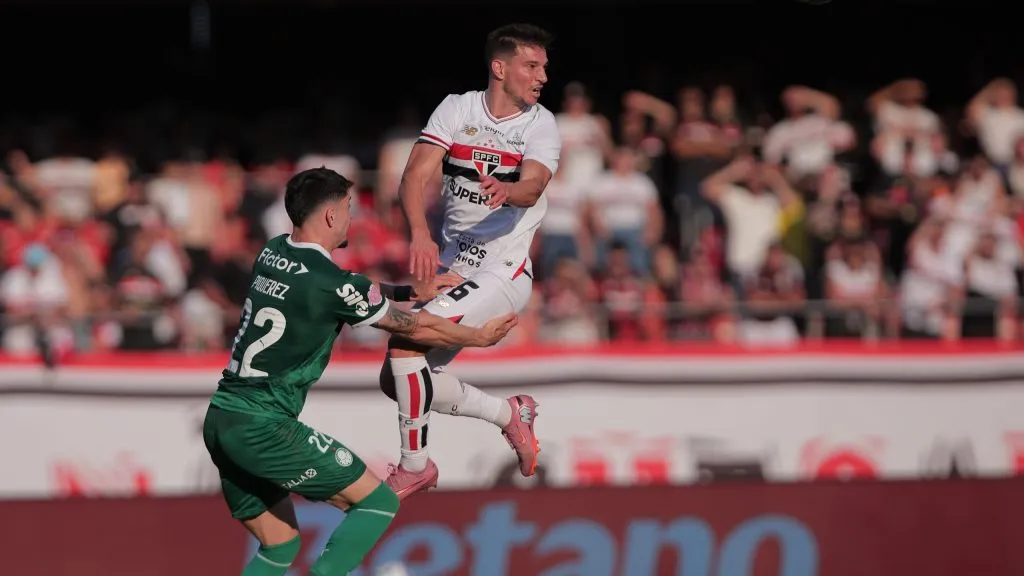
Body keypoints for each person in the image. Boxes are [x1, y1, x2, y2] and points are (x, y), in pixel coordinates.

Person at [203, 167, 518, 576]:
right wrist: (477, 336)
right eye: (349, 208)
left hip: (222, 419)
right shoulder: (330, 283)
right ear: (331, 215)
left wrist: (407, 291)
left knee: (279, 544)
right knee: (377, 503)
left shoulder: (272, 252)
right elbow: (414, 326)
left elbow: (343, 289)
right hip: (263, 425)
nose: (353, 218)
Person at [379, 22, 561, 499]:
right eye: (531, 65)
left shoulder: (541, 123)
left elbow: (535, 184)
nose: (542, 75)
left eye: (544, 66)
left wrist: (510, 189)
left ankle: (414, 466)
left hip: (504, 270)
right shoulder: (459, 108)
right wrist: (420, 233)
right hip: (458, 264)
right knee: (396, 379)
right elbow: (414, 174)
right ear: (499, 68)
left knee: (404, 343)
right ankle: (510, 414)